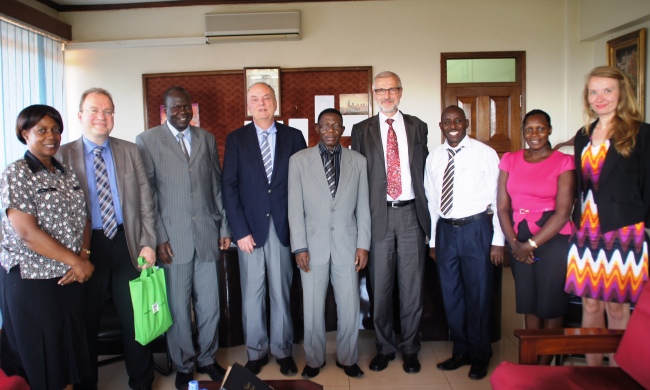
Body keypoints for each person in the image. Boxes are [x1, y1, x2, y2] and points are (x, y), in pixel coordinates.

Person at [57, 88, 157, 389]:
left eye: (108, 111)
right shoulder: (62, 155)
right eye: (94, 110)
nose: (101, 117)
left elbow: (145, 201)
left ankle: (141, 381)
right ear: (80, 115)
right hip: (85, 249)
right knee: (86, 323)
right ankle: (87, 384)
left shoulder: (129, 150)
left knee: (136, 320)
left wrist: (148, 241)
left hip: (128, 243)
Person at [136, 86, 231, 388]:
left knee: (210, 305)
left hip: (206, 234)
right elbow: (147, 194)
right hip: (171, 241)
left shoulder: (206, 138)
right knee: (177, 306)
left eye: (186, 106)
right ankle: (184, 363)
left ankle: (207, 358)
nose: (182, 111)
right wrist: (158, 236)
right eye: (175, 107)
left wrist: (224, 227)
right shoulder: (148, 140)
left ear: (193, 108)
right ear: (165, 110)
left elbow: (216, 188)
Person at [0, 105, 95, 389]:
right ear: (24, 133)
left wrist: (84, 256)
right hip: (32, 281)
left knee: (67, 352)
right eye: (41, 130)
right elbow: (28, 233)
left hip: (68, 278)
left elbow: (85, 219)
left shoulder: (64, 172)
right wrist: (78, 263)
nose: (51, 136)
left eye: (55, 129)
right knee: (44, 356)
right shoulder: (17, 173)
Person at [564, 66, 650, 366]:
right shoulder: (583, 135)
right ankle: (591, 372)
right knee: (589, 304)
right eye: (593, 92)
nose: (599, 98)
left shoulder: (641, 133)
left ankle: (617, 371)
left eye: (607, 90)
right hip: (585, 230)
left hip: (623, 231)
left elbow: (647, 184)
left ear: (621, 93)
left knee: (616, 308)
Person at [222, 82, 306, 376]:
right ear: (248, 105)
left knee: (281, 293)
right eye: (255, 99)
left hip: (283, 227)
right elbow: (229, 187)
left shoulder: (294, 137)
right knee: (252, 293)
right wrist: (239, 231)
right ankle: (256, 352)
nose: (261, 103)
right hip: (249, 232)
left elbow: (301, 185)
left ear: (275, 103)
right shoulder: (236, 139)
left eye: (266, 98)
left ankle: (283, 351)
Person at [351, 71, 430, 374]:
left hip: (411, 215)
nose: (386, 95)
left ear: (400, 91)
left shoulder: (417, 126)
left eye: (391, 89)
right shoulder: (362, 130)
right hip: (377, 216)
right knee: (380, 289)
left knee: (412, 288)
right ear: (373, 93)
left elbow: (425, 172)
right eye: (380, 90)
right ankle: (384, 347)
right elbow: (357, 179)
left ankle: (410, 349)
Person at [288, 108, 370, 379]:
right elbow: (294, 209)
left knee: (349, 306)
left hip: (348, 245)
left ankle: (348, 358)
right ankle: (314, 359)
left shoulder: (358, 161)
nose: (331, 131)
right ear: (316, 128)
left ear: (343, 128)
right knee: (312, 307)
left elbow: (364, 208)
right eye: (325, 126)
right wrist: (299, 246)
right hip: (312, 246)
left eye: (336, 126)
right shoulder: (298, 161)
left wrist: (363, 244)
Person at [424, 105, 504, 380]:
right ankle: (461, 350)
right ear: (441, 126)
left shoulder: (485, 154)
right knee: (452, 295)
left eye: (458, 120)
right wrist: (433, 241)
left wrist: (498, 241)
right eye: (447, 121)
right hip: (446, 232)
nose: (453, 125)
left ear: (466, 122)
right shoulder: (434, 157)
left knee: (479, 295)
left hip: (476, 229)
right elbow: (433, 202)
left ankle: (481, 354)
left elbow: (499, 199)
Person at [496, 109, 575, 365]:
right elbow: (502, 207)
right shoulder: (509, 159)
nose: (534, 134)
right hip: (518, 235)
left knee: (551, 306)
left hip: (553, 236)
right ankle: (529, 365)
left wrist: (528, 245)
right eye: (529, 129)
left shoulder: (564, 161)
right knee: (529, 304)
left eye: (540, 128)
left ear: (549, 130)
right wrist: (514, 244)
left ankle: (545, 368)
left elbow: (563, 213)